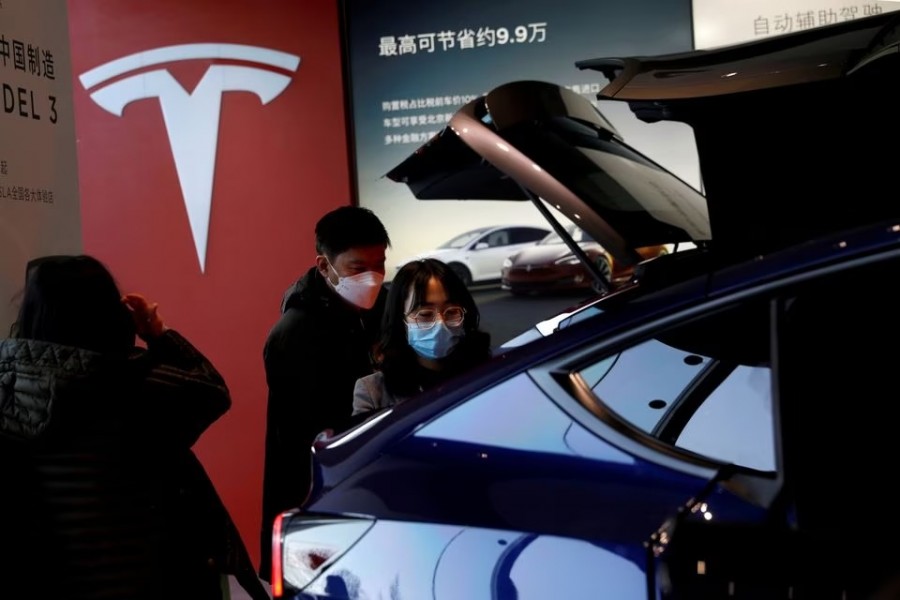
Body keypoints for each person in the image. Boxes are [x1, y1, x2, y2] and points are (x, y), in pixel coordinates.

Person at [0, 254, 268, 600]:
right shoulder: (139, 383)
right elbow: (211, 391)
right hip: (146, 576)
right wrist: (156, 332)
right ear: (109, 312)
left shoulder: (8, 388)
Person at [259, 205, 390, 581]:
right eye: (357, 268)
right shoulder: (294, 334)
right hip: (321, 497)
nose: (372, 277)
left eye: (379, 264)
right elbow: (305, 436)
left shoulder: (379, 311)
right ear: (324, 266)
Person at [352, 258, 492, 417]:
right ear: (400, 320)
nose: (441, 324)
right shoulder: (373, 391)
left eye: (452, 312)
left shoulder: (489, 369)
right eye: (425, 314)